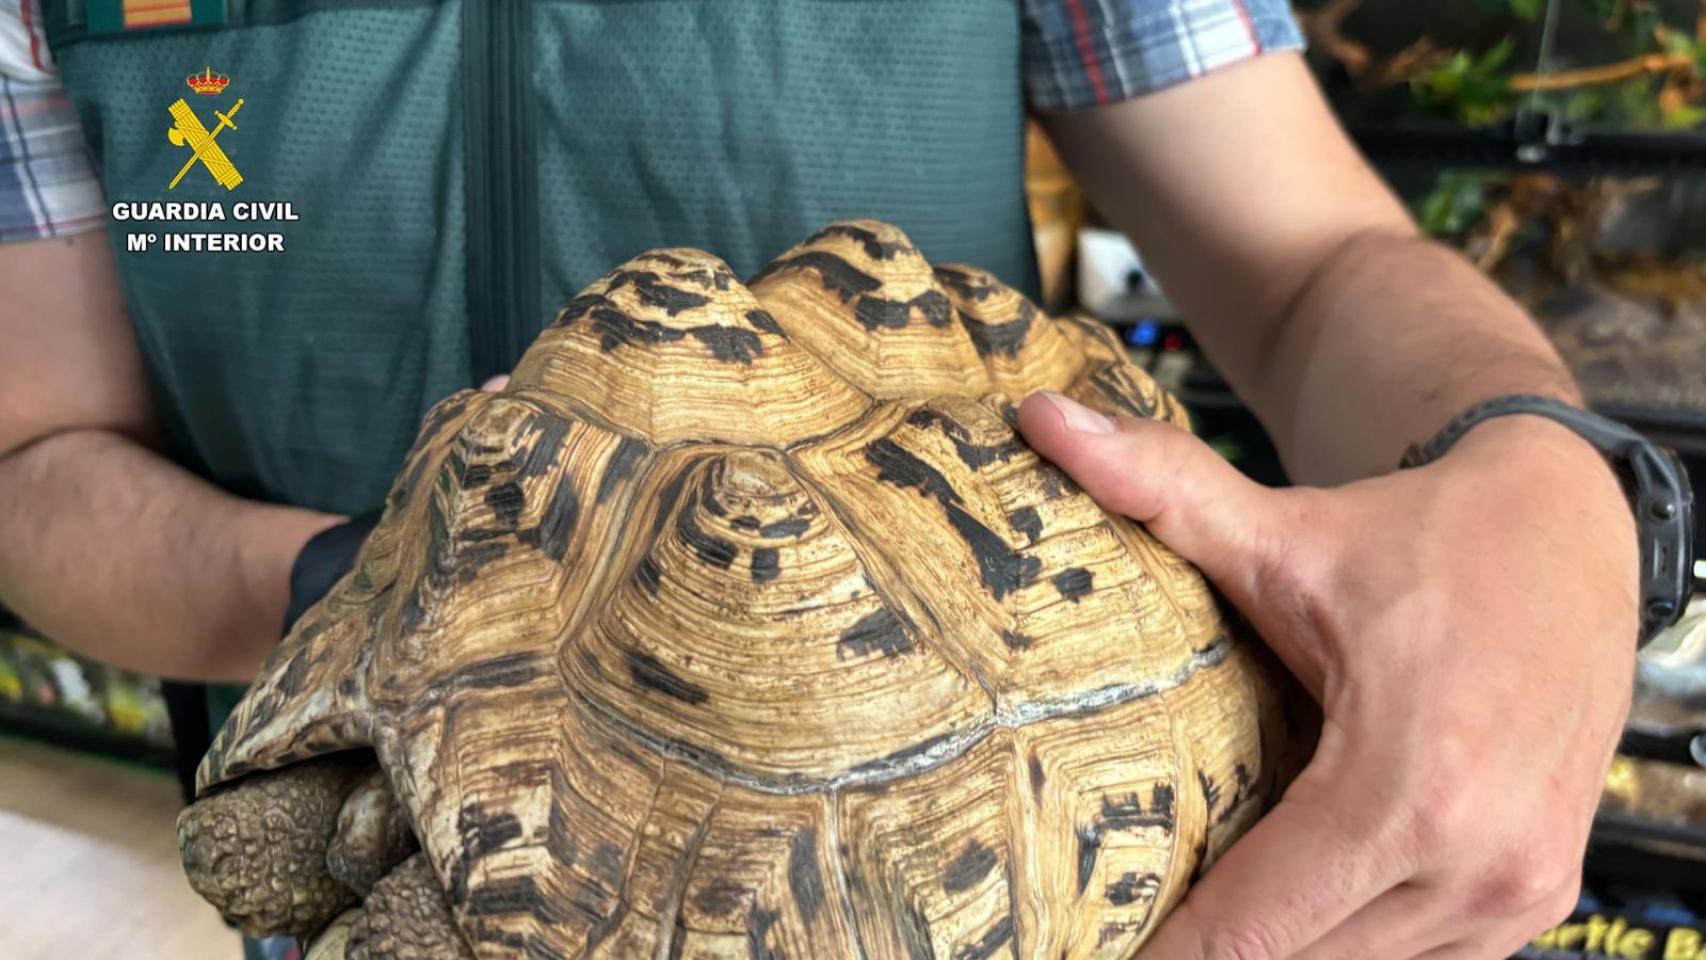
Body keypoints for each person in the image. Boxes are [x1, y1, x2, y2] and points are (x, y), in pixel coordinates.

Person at [0, 1, 1641, 957]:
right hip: (374, 676)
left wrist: (1540, 473)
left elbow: (1314, 262)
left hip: (956, 698)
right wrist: (392, 601)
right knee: (273, 849)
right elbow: (33, 455)